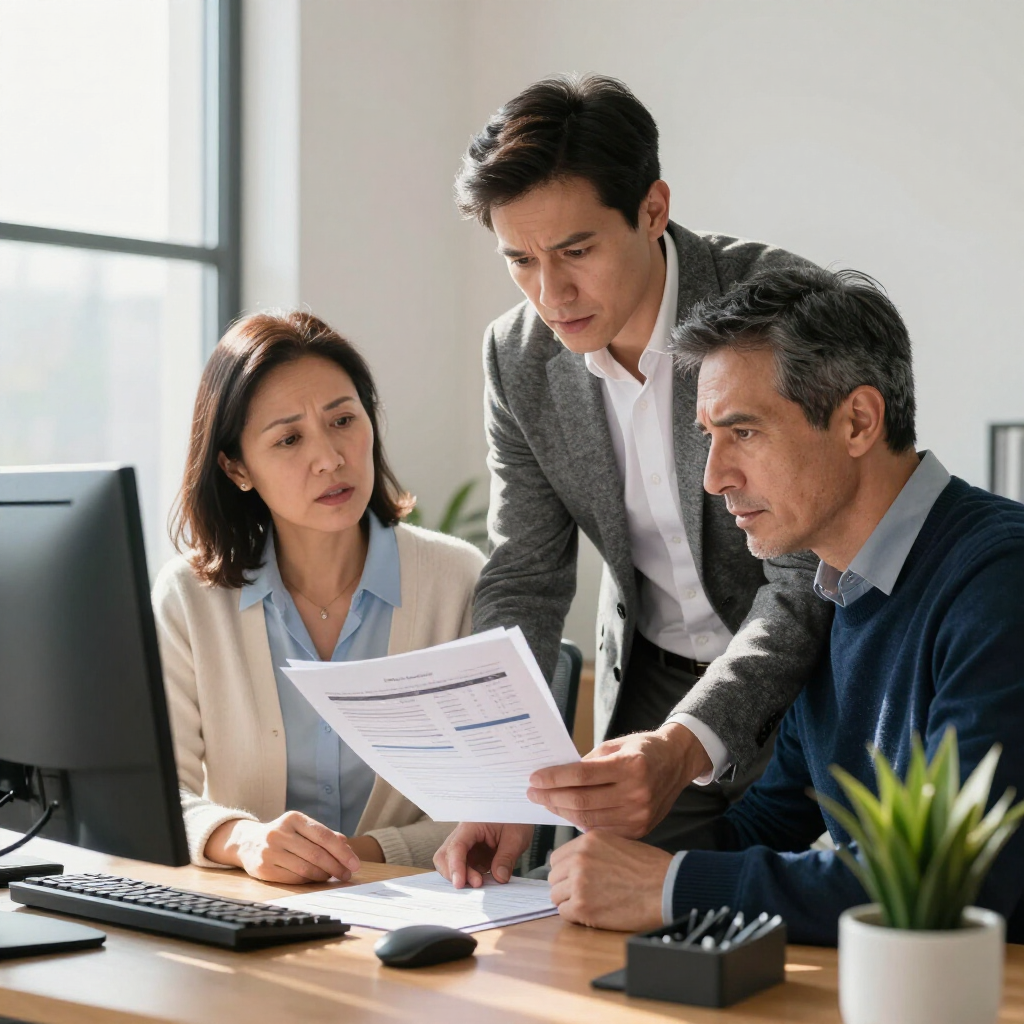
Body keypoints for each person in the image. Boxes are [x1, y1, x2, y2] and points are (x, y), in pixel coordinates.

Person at [541, 265, 1024, 944]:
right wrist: (620, 860)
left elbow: (962, 875)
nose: (714, 478)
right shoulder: (836, 590)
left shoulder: (1001, 578)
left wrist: (671, 887)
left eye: (743, 432)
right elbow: (771, 824)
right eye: (708, 436)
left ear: (858, 421)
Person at [435, 73, 832, 886]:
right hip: (650, 684)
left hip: (810, 680)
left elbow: (805, 575)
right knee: (598, 921)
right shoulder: (517, 356)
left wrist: (688, 741)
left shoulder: (777, 312)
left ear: (653, 209)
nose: (551, 294)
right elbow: (526, 574)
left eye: (576, 251)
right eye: (520, 260)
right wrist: (494, 782)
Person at [153, 311, 484, 883]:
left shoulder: (456, 580)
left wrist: (350, 856)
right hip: (254, 911)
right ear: (236, 467)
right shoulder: (190, 598)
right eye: (289, 438)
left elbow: (489, 807)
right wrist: (245, 840)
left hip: (423, 911)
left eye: (343, 420)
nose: (330, 457)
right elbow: (159, 798)